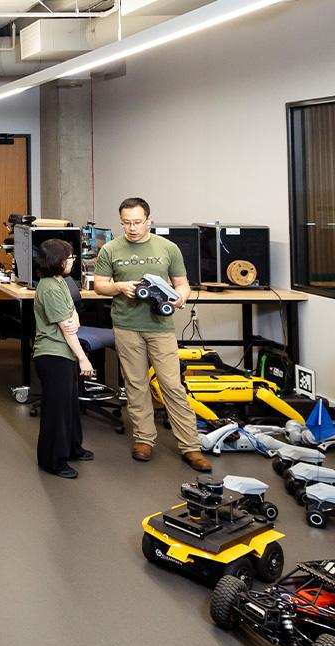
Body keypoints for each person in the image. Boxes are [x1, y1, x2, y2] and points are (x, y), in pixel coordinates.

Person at [93, 197, 211, 472]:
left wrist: (179, 299)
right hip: (126, 325)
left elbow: (183, 285)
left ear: (149, 220)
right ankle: (144, 439)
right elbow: (100, 285)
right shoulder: (111, 249)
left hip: (160, 327)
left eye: (137, 222)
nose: (132, 228)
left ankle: (190, 446)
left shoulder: (168, 248)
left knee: (172, 385)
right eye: (126, 223)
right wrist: (120, 287)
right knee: (135, 385)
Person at [32, 239, 95, 479]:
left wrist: (74, 318)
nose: (73, 261)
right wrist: (83, 359)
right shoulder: (48, 287)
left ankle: (71, 448)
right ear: (58, 261)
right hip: (53, 353)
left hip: (64, 351)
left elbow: (73, 313)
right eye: (70, 258)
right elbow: (67, 329)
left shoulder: (61, 282)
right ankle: (52, 460)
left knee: (69, 405)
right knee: (56, 411)